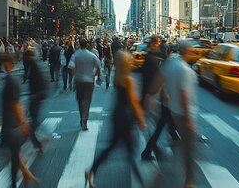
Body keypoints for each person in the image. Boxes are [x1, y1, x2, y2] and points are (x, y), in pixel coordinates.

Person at [85, 52, 147, 187]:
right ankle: (143, 183)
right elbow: (134, 102)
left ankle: (91, 171)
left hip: (117, 115)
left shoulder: (118, 77)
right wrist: (141, 119)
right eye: (130, 61)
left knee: (112, 147)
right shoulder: (129, 80)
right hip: (125, 117)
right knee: (131, 153)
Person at [160, 40, 198, 188]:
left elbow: (160, 81)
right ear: (187, 52)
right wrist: (188, 117)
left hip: (173, 109)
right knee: (189, 149)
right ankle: (188, 182)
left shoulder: (170, 64)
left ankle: (187, 180)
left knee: (186, 146)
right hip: (183, 113)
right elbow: (184, 93)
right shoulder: (185, 70)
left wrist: (164, 95)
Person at [0, 53, 40, 188]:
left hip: (12, 124)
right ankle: (26, 175)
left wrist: (23, 122)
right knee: (14, 154)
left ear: (7, 63)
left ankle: (16, 182)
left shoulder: (11, 80)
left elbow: (15, 103)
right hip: (13, 123)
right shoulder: (13, 78)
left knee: (13, 155)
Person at [141, 36, 180, 161]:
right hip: (152, 94)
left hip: (154, 94)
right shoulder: (151, 58)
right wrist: (161, 92)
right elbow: (155, 77)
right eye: (156, 43)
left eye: (158, 43)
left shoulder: (153, 57)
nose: (158, 44)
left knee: (163, 120)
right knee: (159, 123)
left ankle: (172, 135)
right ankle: (148, 150)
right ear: (151, 44)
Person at [68, 39, 101, 130]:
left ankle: (81, 117)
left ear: (79, 45)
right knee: (87, 102)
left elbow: (71, 67)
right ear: (87, 45)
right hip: (89, 82)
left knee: (80, 101)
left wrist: (71, 80)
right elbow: (98, 66)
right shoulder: (92, 55)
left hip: (78, 81)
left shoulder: (75, 55)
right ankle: (84, 121)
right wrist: (95, 75)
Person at [25, 47, 47, 152]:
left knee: (33, 122)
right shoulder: (34, 65)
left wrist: (35, 95)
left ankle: (38, 142)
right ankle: (38, 142)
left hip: (36, 97)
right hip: (36, 96)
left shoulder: (33, 66)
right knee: (34, 120)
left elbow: (38, 82)